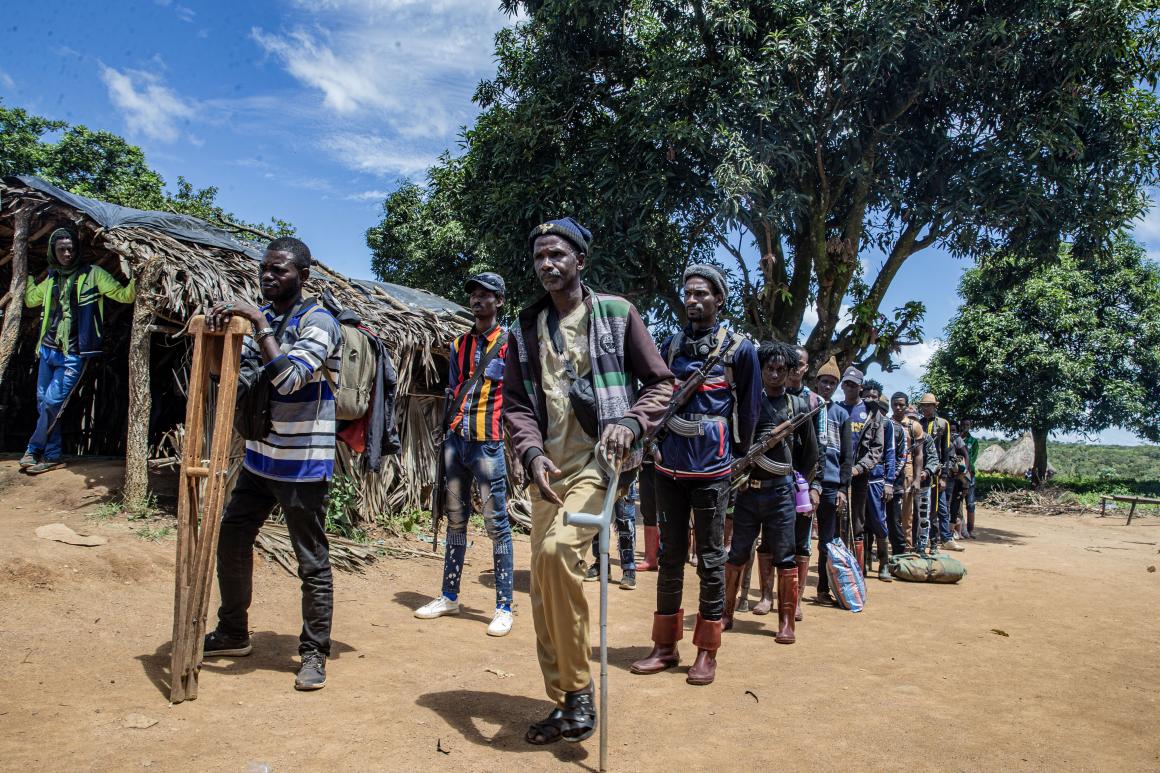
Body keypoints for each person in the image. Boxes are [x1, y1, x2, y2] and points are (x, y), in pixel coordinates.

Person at [504, 217, 672, 744]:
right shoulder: (525, 328)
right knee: (542, 588)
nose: (547, 264)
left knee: (558, 555)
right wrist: (531, 453)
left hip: (602, 462)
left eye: (557, 254)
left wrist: (631, 422)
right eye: (539, 257)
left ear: (580, 260)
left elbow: (661, 384)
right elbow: (516, 405)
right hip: (548, 472)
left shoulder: (617, 314)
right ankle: (563, 702)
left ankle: (578, 691)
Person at [201, 237, 342, 692]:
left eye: (279, 270)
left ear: (303, 276)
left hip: (302, 464)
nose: (268, 276)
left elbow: (289, 379)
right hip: (261, 456)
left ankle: (314, 652)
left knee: (311, 560)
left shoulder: (318, 322)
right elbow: (235, 377)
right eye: (265, 268)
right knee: (232, 537)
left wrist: (258, 323)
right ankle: (233, 631)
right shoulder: (268, 319)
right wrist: (221, 338)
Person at [631, 264, 760, 687]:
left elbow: (750, 410)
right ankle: (664, 646)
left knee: (710, 558)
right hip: (668, 466)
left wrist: (736, 461)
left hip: (712, 470)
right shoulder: (670, 345)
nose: (692, 300)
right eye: (688, 293)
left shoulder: (740, 350)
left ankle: (707, 651)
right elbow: (655, 393)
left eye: (701, 293)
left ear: (719, 299)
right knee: (669, 556)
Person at [414, 272, 515, 636]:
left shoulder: (510, 344)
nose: (477, 300)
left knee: (496, 523)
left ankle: (504, 607)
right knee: (455, 520)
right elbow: (454, 388)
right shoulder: (459, 344)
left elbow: (519, 395)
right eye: (473, 294)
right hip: (456, 441)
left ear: (499, 301)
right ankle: (449, 596)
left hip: (488, 443)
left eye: (485, 294)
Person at [722, 341, 818, 643]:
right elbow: (735, 444)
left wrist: (803, 487)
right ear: (760, 369)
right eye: (769, 368)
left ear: (790, 371)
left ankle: (786, 622)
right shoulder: (748, 402)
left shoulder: (798, 407)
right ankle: (725, 613)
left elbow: (810, 455)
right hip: (749, 492)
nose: (775, 374)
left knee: (786, 557)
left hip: (781, 495)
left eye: (781, 369)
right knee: (737, 553)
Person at [19, 227, 136, 475]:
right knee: (43, 404)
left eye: (70, 249)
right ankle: (52, 455)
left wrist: (139, 276)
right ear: (53, 251)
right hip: (48, 349)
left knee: (51, 402)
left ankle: (33, 449)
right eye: (61, 249)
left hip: (73, 354)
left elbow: (124, 296)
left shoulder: (93, 274)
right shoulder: (53, 277)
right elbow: (30, 300)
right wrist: (26, 276)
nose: (67, 254)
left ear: (78, 250)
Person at [781, 344, 827, 621]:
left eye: (799, 364)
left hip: (803, 483)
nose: (794, 368)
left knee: (801, 542)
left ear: (806, 368)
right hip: (774, 479)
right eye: (791, 363)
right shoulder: (772, 394)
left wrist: (815, 486)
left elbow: (821, 449)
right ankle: (766, 596)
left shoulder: (815, 402)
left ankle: (794, 601)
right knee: (770, 542)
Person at [811, 358, 853, 606]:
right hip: (806, 484)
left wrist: (843, 488)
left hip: (831, 485)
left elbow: (847, 456)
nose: (827, 386)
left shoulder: (841, 414)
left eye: (832, 383)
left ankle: (822, 589)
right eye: (824, 382)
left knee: (826, 540)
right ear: (817, 382)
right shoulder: (807, 407)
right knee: (798, 539)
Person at [836, 368, 885, 577]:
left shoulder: (872, 413)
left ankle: (857, 572)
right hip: (836, 476)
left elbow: (877, 448)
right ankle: (838, 571)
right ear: (842, 386)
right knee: (837, 523)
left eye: (854, 384)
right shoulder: (836, 409)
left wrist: (858, 468)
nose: (850, 387)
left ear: (861, 387)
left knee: (857, 523)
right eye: (847, 383)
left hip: (860, 477)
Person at [859, 380, 895, 581]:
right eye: (867, 395)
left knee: (879, 521)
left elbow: (889, 453)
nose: (870, 399)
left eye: (874, 396)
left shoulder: (886, 423)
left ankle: (883, 564)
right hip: (858, 478)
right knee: (861, 522)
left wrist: (889, 482)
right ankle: (864, 561)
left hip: (876, 480)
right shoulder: (856, 416)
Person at [918, 393, 963, 552]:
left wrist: (944, 476)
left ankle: (946, 538)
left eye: (928, 405)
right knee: (924, 508)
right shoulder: (918, 424)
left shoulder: (943, 424)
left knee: (942, 508)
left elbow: (947, 451)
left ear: (934, 406)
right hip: (922, 473)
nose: (925, 408)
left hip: (937, 473)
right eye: (923, 405)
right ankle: (926, 539)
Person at [585, 479, 638, 589]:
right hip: (599, 475)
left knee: (625, 521)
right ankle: (601, 564)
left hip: (626, 475)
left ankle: (629, 569)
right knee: (597, 517)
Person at [890, 393, 925, 552]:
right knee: (889, 513)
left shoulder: (914, 426)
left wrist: (917, 479)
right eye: (895, 404)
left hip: (907, 473)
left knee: (906, 514)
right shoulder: (886, 423)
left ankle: (907, 547)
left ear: (906, 406)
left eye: (901, 405)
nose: (898, 407)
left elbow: (919, 454)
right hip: (889, 473)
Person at [948, 421, 971, 541]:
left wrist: (964, 471)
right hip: (946, 476)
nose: (952, 433)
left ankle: (952, 531)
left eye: (954, 430)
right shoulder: (943, 438)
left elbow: (966, 455)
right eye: (950, 430)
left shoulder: (957, 440)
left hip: (957, 477)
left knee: (955, 505)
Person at [959, 419, 980, 538]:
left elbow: (973, 458)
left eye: (967, 425)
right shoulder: (956, 439)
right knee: (957, 503)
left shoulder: (973, 441)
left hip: (969, 474)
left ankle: (970, 529)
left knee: (970, 503)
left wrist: (967, 469)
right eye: (963, 424)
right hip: (957, 474)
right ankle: (959, 530)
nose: (965, 427)